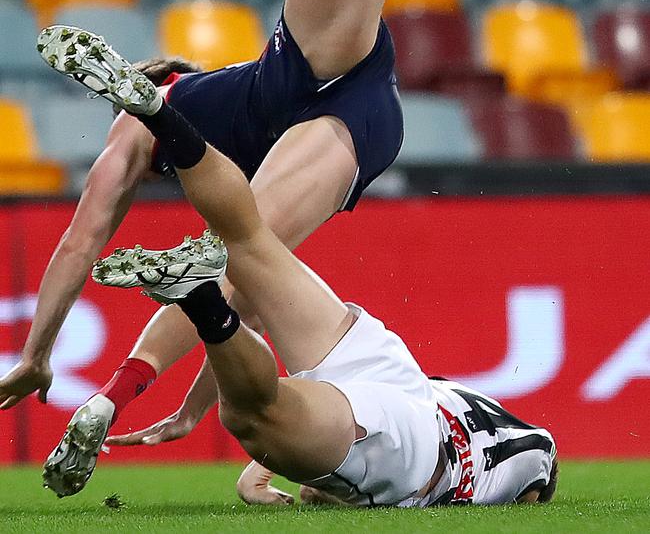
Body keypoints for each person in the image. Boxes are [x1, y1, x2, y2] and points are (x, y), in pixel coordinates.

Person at [2, 0, 607, 495]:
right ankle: (108, 397)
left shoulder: (195, 97)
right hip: (326, 141)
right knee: (227, 255)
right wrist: (40, 354)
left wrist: (47, 356)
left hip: (328, 81)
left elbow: (82, 243)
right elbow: (113, 247)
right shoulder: (138, 145)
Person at [42, 32, 558, 507]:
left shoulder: (509, 433)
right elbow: (532, 475)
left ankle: (160, 114)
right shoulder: (534, 457)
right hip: (412, 452)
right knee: (251, 414)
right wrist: (276, 469)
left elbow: (262, 324)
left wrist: (239, 449)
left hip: (384, 363)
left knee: (246, 242)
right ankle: (200, 297)